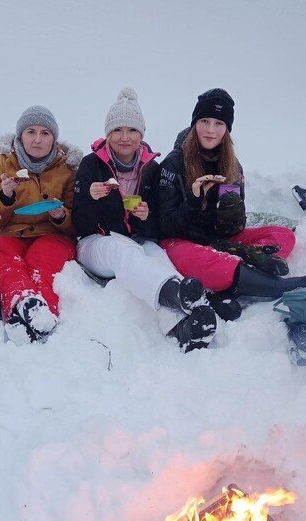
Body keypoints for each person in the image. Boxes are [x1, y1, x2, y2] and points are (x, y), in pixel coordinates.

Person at [158, 88, 306, 316]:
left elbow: (232, 230)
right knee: (197, 257)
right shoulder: (173, 164)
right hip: (180, 242)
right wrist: (194, 200)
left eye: (219, 123)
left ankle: (239, 275)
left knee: (284, 235)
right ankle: (276, 286)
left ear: (227, 129)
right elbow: (164, 225)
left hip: (218, 241)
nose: (210, 130)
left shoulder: (232, 166)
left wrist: (232, 210)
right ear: (194, 124)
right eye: (204, 121)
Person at [72, 88, 217, 352]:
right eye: (117, 130)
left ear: (142, 134)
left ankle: (182, 326)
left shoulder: (152, 169)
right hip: (96, 243)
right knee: (123, 253)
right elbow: (79, 226)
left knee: (157, 256)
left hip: (137, 239)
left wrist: (146, 216)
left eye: (132, 130)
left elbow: (156, 229)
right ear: (107, 134)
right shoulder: (91, 165)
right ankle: (175, 292)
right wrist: (90, 200)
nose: (124, 138)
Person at [0, 105, 82, 343]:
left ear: (54, 138)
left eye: (45, 133)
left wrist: (61, 215)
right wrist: (4, 197)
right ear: (20, 136)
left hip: (51, 235)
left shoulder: (68, 168)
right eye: (31, 132)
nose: (37, 140)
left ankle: (43, 314)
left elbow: (77, 221)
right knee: (0, 255)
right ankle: (20, 304)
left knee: (41, 263)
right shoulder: (4, 163)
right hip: (11, 233)